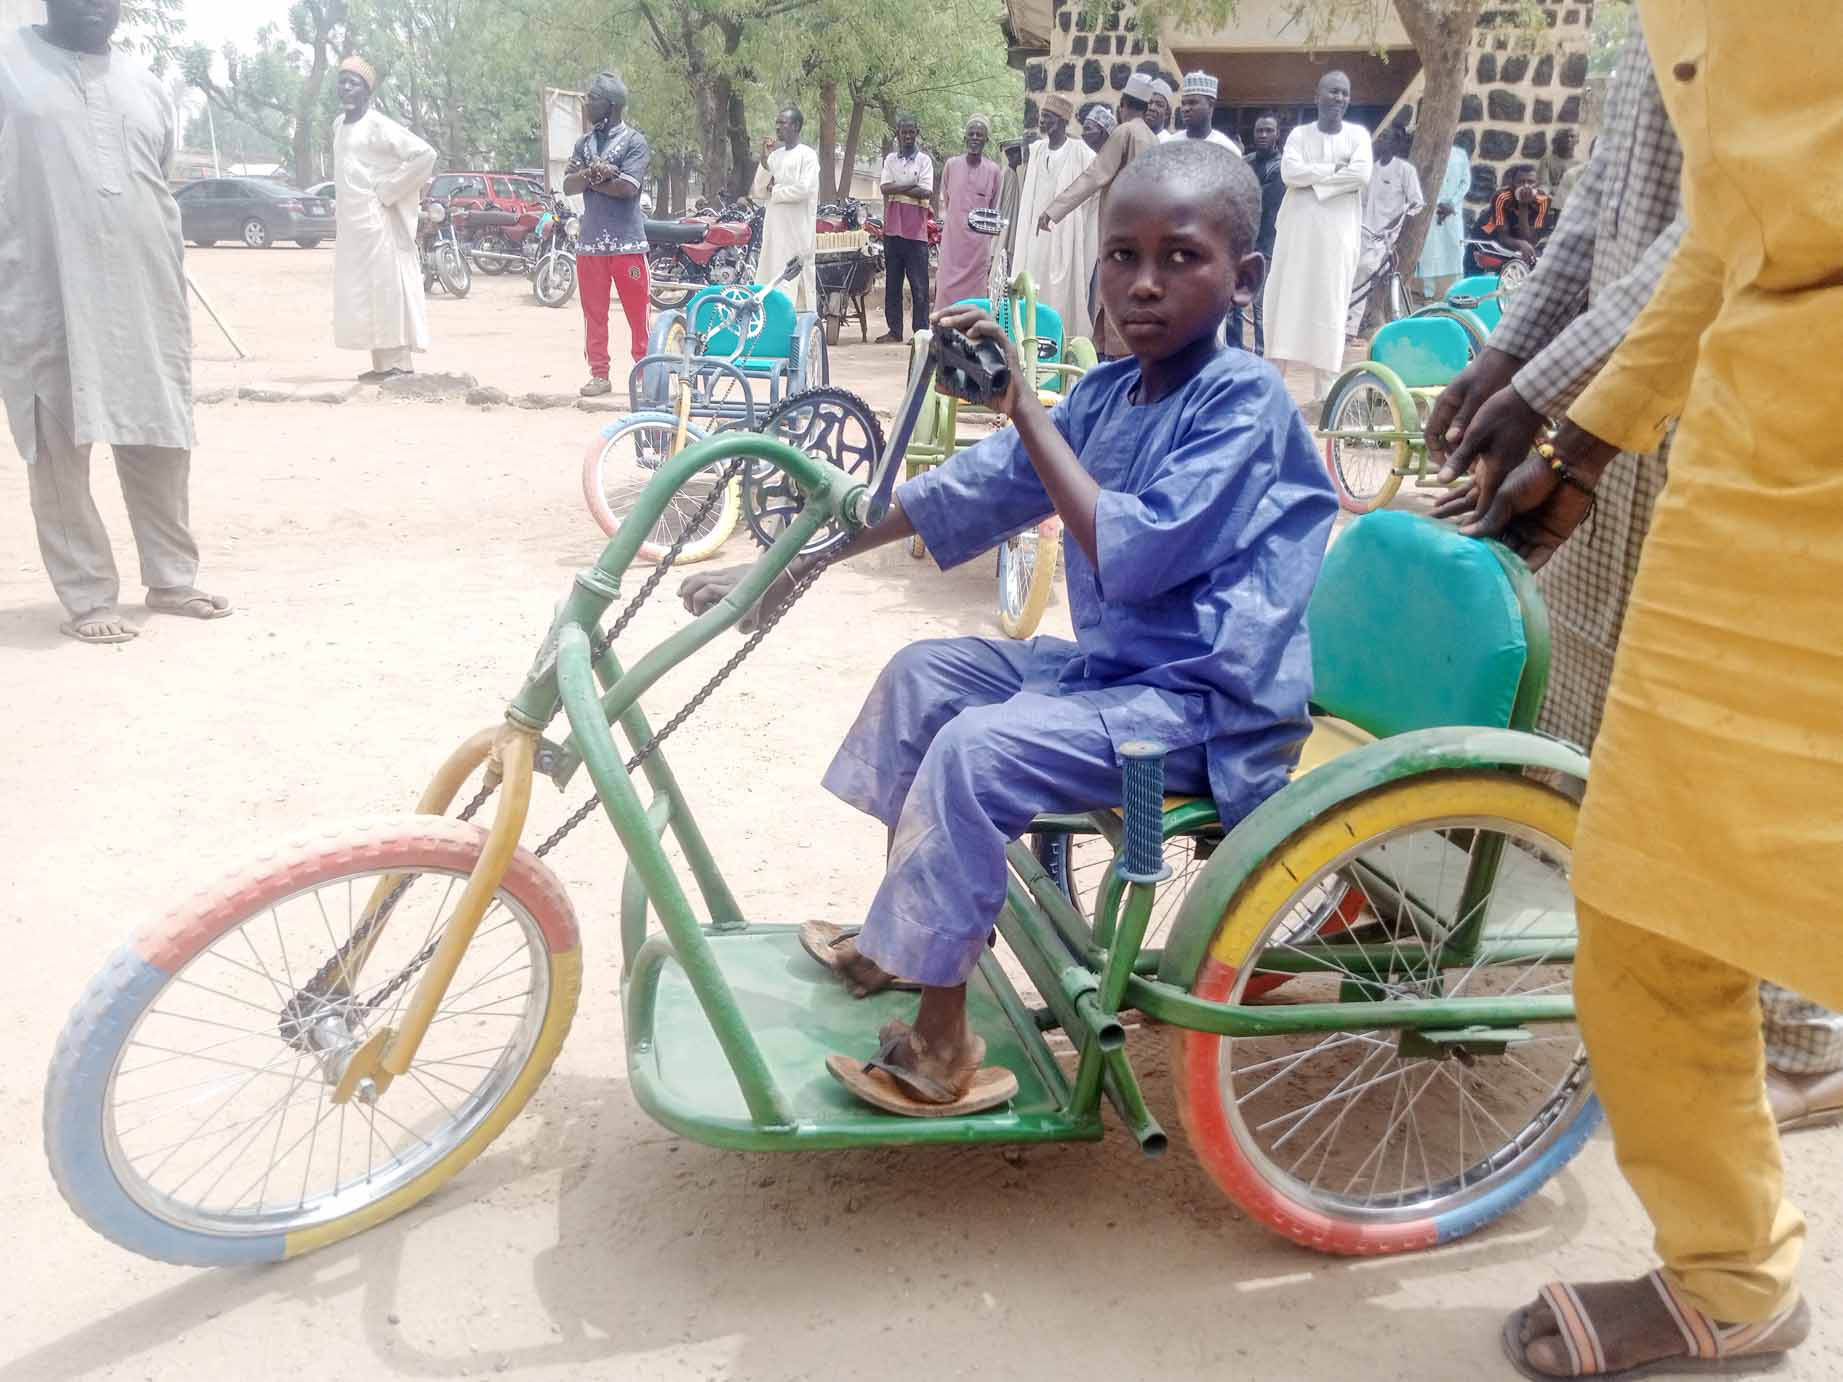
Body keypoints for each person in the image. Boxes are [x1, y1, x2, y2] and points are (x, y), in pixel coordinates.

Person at [679, 142, 1337, 1114]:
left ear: (1243, 278)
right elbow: (968, 489)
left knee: (976, 749)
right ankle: (908, 938)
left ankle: (942, 1047)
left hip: (1205, 707)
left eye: (1180, 258)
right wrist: (793, 562)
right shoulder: (1111, 392)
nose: (1142, 283)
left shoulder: (1246, 401)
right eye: (1121, 255)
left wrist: (1022, 405)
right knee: (924, 676)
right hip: (1116, 678)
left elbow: (1134, 553)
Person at [1433, 4, 1843, 1375]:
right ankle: (1729, 1271)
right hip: (1743, 460)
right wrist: (1586, 435)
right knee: (1640, 888)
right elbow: (1722, 233)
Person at [1, 0, 230, 644]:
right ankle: (87, 594)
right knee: (57, 445)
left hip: (145, 289)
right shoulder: (8, 66)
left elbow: (156, 175)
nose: (97, 4)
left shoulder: (147, 86)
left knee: (161, 434)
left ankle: (172, 578)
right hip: (45, 287)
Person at [1262, 70, 1370, 402]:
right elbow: (1290, 172)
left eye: (1344, 93)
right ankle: (1273, 391)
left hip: (1337, 237)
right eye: (1333, 91)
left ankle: (1326, 396)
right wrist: (1334, 170)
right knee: (1285, 302)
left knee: (1330, 305)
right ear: (1317, 97)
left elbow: (1361, 174)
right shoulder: (1298, 135)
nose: (1339, 98)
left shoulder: (1358, 136)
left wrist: (1313, 182)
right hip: (1297, 235)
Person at [332, 55, 436, 385]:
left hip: (377, 225)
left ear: (367, 90)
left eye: (354, 83)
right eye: (342, 81)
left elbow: (425, 155)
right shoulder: (338, 125)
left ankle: (399, 366)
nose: (346, 88)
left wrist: (389, 191)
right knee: (364, 296)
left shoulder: (377, 124)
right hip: (352, 229)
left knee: (386, 292)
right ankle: (380, 366)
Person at [1039, 73, 1159, 356]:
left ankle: (1116, 363)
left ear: (1123, 104)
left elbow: (1095, 175)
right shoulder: (1152, 138)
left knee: (1114, 298)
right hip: (1146, 235)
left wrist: (1053, 210)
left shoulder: (1125, 132)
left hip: (1122, 233)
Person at [563, 71, 651, 397]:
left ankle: (645, 374)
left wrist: (588, 179)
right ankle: (599, 374)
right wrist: (596, 173)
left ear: (611, 104)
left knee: (638, 314)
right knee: (594, 314)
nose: (587, 104)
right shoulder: (584, 143)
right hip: (590, 244)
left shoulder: (634, 142)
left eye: (592, 98)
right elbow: (567, 184)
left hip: (628, 243)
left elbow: (628, 188)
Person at [1016, 93, 1097, 339]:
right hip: (1036, 235)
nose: (1042, 121)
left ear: (1062, 120)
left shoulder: (1081, 153)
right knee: (1033, 284)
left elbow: (1093, 189)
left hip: (1064, 236)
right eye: (1042, 116)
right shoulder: (1038, 151)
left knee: (1061, 293)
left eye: (1048, 117)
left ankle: (1058, 342)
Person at [1346, 125, 1423, 335]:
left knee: (1364, 271)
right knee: (1350, 272)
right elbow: (1361, 202)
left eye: (1386, 137)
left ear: (1396, 143)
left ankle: (1350, 327)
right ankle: (1345, 322)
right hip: (1362, 231)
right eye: (1380, 136)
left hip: (1384, 238)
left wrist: (1394, 225)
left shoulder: (1405, 170)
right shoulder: (1371, 169)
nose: (1380, 140)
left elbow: (1415, 203)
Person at [751, 105, 819, 311]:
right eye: (777, 123)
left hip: (797, 230)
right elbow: (759, 191)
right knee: (770, 276)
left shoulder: (807, 155)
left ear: (796, 126)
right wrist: (764, 162)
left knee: (793, 280)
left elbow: (804, 189)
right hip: (774, 229)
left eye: (783, 123)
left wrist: (776, 191)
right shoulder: (775, 156)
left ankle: (799, 326)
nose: (778, 127)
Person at [877, 112, 934, 343]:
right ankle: (894, 331)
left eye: (911, 132)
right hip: (892, 231)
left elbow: (926, 191)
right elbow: (884, 188)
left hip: (916, 234)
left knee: (919, 286)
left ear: (917, 133)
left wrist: (897, 186)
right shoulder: (890, 160)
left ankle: (920, 332)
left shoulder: (924, 161)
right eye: (904, 132)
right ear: (898, 134)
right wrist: (911, 183)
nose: (908, 136)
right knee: (892, 285)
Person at [935, 114, 1003, 305]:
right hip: (953, 244)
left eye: (979, 135)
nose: (974, 138)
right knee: (946, 291)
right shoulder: (951, 166)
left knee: (975, 300)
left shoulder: (994, 171)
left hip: (978, 249)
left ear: (986, 140)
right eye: (971, 134)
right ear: (965, 138)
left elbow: (994, 209)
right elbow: (949, 201)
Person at [1229, 112, 1283, 354]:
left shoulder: (1280, 167)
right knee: (1233, 301)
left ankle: (1261, 355)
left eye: (1268, 130)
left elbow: (1261, 202)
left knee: (1260, 306)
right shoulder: (1246, 161)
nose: (1263, 135)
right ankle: (1235, 351)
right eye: (1259, 130)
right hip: (1240, 242)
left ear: (1277, 134)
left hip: (1265, 244)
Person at [1416, 137, 1471, 302]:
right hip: (1432, 210)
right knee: (1429, 251)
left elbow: (1465, 182)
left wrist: (1451, 203)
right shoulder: (1429, 153)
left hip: (1453, 211)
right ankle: (1428, 293)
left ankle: (1457, 291)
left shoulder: (1460, 154)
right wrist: (1437, 204)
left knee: (1456, 249)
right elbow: (1423, 182)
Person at [1475, 163, 1552, 265]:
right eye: (1520, 182)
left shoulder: (1543, 201)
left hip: (1517, 236)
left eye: (1531, 182)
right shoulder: (1501, 197)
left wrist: (1523, 205)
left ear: (1537, 185)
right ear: (1512, 184)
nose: (1526, 186)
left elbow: (1530, 239)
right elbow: (1503, 237)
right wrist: (1520, 243)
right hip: (1490, 233)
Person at [1162, 71, 1241, 153]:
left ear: (1210, 104)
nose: (1185, 108)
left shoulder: (1227, 149)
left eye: (1192, 103)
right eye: (1183, 103)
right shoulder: (1169, 145)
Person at [1535, 128, 1577, 207]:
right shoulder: (1547, 160)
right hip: (1551, 202)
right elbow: (1543, 185)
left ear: (1577, 141)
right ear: (1559, 140)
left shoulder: (1578, 164)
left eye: (1572, 136)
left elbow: (1576, 189)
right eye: (1565, 136)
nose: (1568, 139)